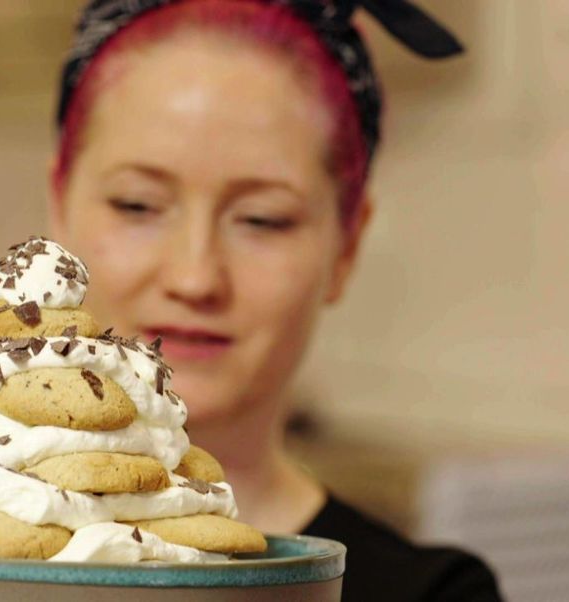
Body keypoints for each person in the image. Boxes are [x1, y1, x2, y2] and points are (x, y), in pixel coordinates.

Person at [47, 0, 502, 599]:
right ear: (58, 210)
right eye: (137, 204)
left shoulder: (428, 594)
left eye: (264, 220)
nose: (195, 276)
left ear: (347, 247)